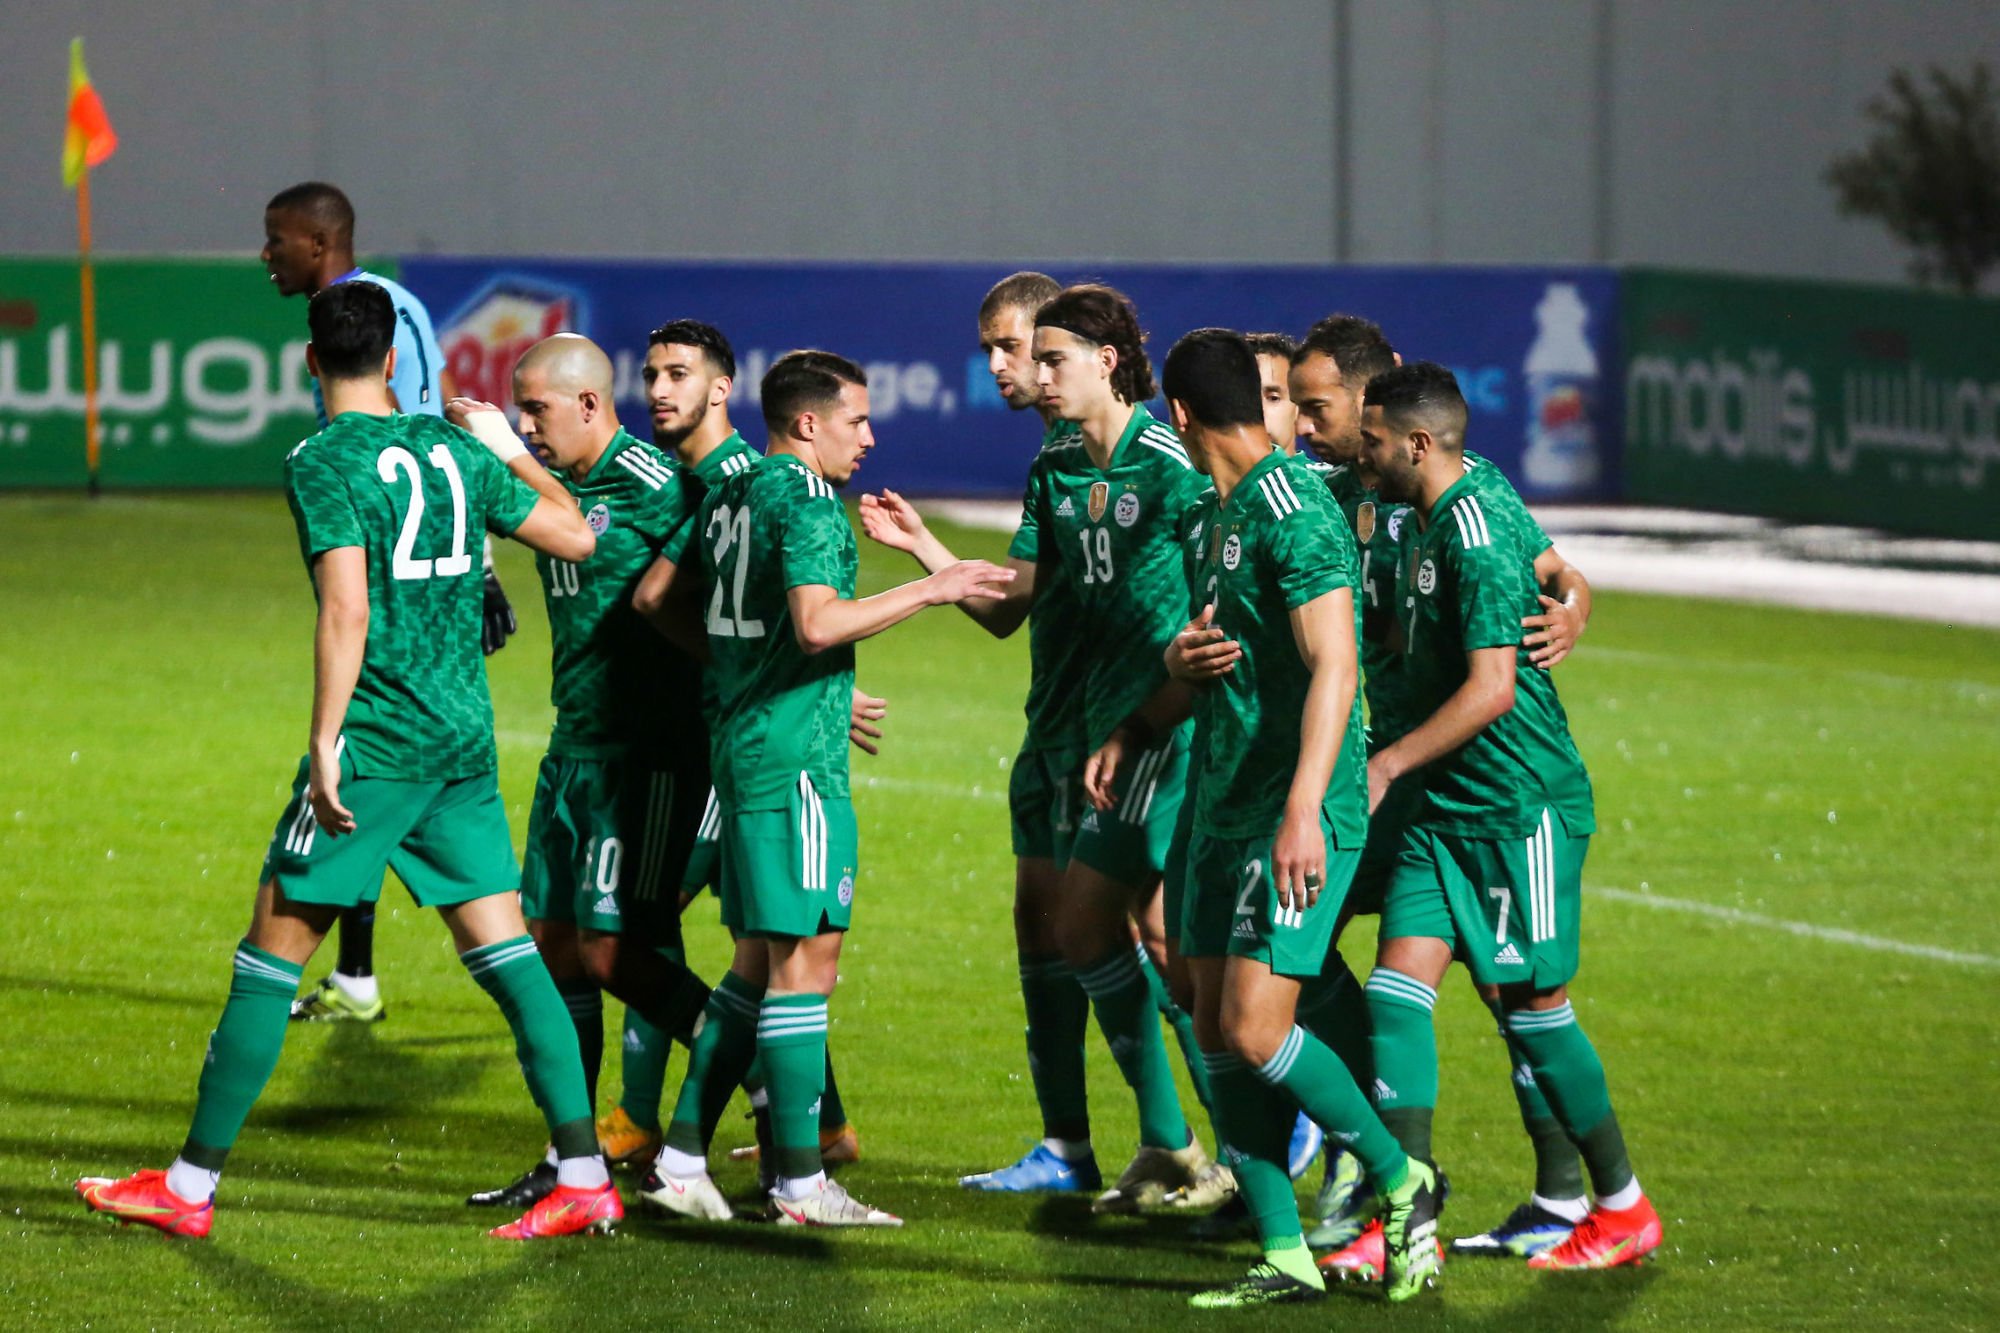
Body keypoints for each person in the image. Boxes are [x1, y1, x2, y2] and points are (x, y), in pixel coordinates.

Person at [75, 281, 615, 1240]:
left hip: (375, 745)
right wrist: (509, 450)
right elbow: (578, 533)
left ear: (311, 362)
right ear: (396, 360)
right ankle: (584, 1177)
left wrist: (325, 742)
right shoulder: (455, 448)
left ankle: (188, 1188)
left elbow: (346, 608)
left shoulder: (322, 460)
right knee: (509, 958)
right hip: (461, 743)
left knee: (267, 960)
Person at [641, 350, 1013, 1225]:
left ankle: (682, 1162)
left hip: (743, 746)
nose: (870, 437)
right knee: (808, 965)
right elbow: (816, 624)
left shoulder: (730, 489)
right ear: (808, 423)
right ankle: (802, 1183)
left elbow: (656, 597)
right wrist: (935, 587)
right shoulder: (807, 498)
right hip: (796, 764)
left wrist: (751, 671)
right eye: (857, 420)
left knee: (753, 966)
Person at [1287, 315, 1599, 1267]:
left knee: (1516, 995)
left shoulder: (1458, 492)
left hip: (1456, 776)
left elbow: (1556, 574)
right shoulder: (1327, 496)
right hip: (1399, 775)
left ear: (1375, 405)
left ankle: (1562, 1191)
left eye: (1316, 407)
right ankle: (1372, 1154)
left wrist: (1575, 605)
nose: (1303, 426)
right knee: (1293, 936)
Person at [1355, 361, 1662, 1272]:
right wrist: (1574, 600)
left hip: (1513, 804)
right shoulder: (1431, 508)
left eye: (1372, 441)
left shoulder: (1476, 533)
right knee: (1395, 991)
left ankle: (1621, 1205)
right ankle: (1404, 1213)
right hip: (1443, 806)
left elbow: (1493, 689)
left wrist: (1388, 761)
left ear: (1417, 443)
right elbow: (1558, 574)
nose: (1363, 456)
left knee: (1534, 1010)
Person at [464, 334, 727, 1212]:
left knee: (615, 951)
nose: (527, 426)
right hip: (571, 747)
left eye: (536, 409)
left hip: (644, 754)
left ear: (587, 404)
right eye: (520, 412)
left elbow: (735, 580)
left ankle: (754, 1064)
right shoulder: (558, 486)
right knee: (551, 950)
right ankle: (571, 1156)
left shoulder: (656, 483)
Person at [859, 272, 1110, 1193]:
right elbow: (1013, 608)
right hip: (1054, 727)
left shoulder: (1118, 453)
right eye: (991, 351)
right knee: (1040, 924)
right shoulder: (1054, 459)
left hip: (1118, 733)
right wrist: (928, 553)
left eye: (1014, 346)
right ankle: (1069, 1146)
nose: (1000, 366)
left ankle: (1245, 1124)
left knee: (1150, 939)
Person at [259, 180, 518, 1024]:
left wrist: (480, 566)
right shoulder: (351, 312)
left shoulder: (376, 310)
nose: (266, 254)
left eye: (277, 239)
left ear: (318, 243)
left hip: (406, 583)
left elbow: (425, 440)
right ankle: (358, 974)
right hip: (391, 561)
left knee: (370, 755)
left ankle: (361, 973)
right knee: (369, 768)